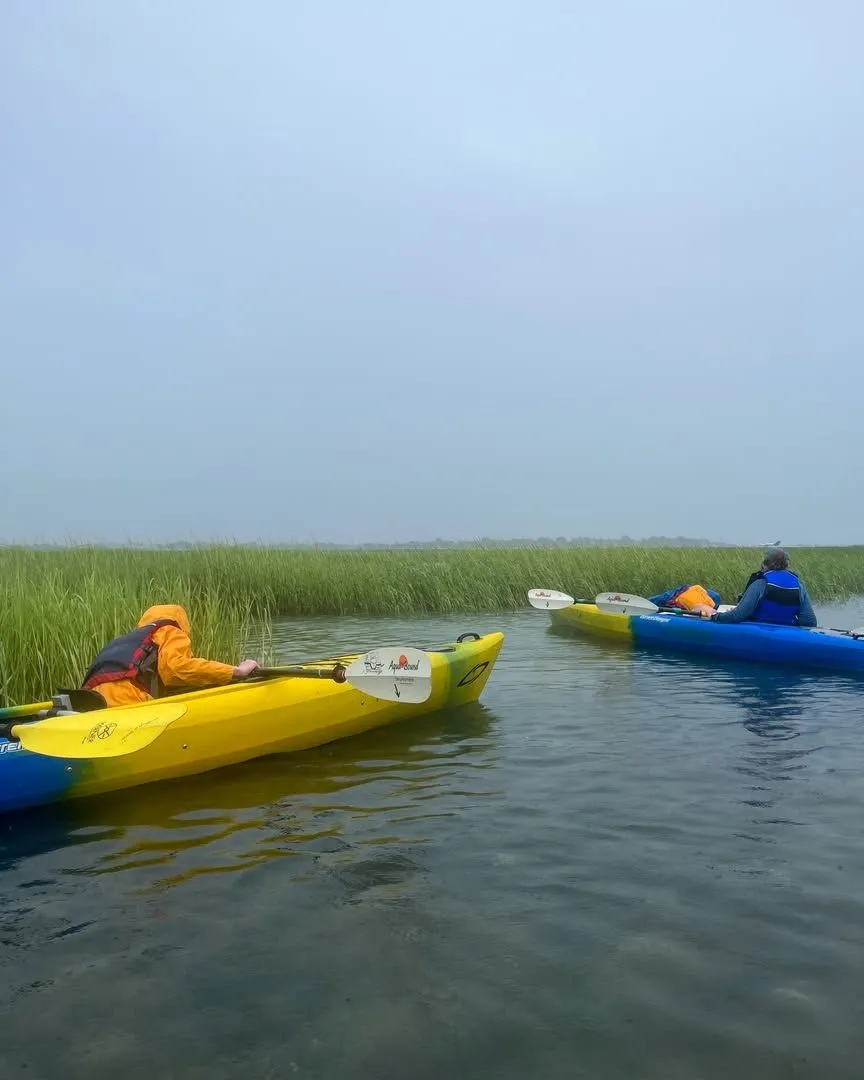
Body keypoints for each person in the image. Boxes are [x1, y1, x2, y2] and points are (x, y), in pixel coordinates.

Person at [81, 604, 260, 708]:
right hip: (128, 699)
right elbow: (176, 668)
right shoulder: (170, 631)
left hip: (93, 700)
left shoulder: (128, 639)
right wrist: (235, 671)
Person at [709, 547, 816, 626]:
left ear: (764, 565)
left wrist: (715, 616)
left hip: (760, 630)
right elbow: (809, 621)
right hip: (788, 631)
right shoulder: (799, 587)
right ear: (786, 565)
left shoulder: (760, 585)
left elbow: (738, 615)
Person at [649, 583, 721, 618]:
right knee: (652, 602)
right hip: (677, 595)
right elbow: (699, 607)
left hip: (693, 595)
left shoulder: (713, 599)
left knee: (715, 596)